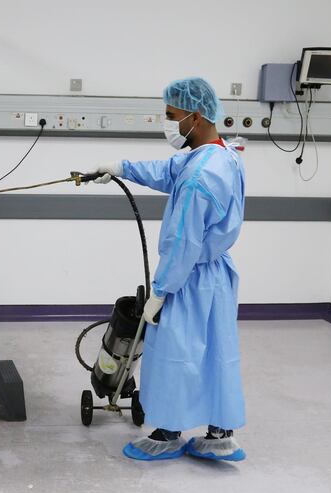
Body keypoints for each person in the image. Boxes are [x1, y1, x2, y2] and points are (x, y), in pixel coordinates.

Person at [89, 77, 246, 461]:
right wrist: (121, 167)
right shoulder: (220, 156)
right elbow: (167, 171)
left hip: (187, 278)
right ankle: (218, 434)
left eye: (172, 116)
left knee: (174, 352)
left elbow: (182, 244)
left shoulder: (198, 178)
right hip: (215, 276)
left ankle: (167, 433)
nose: (169, 124)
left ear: (196, 116)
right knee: (214, 350)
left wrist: (160, 291)